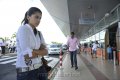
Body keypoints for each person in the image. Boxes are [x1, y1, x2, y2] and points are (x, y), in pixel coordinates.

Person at [16, 7, 48, 80]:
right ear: (28, 17)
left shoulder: (39, 33)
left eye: (40, 18)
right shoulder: (23, 29)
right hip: (27, 73)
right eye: (36, 17)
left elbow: (46, 51)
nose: (39, 20)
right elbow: (27, 55)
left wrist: (33, 51)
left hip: (41, 68)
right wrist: (40, 51)